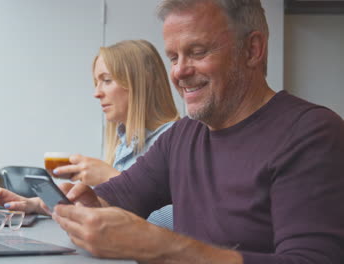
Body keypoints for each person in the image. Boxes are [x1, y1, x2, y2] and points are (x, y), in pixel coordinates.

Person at [50, 0, 344, 263]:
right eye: (174, 57)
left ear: (252, 50)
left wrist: (165, 248)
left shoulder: (311, 134)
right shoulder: (183, 134)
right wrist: (88, 203)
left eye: (197, 52)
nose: (179, 72)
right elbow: (121, 194)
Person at [0, 39, 180, 229]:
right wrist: (33, 203)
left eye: (107, 80)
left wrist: (109, 177)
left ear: (141, 83)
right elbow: (105, 209)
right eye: (96, 82)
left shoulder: (175, 138)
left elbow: (179, 219)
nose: (97, 92)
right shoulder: (124, 144)